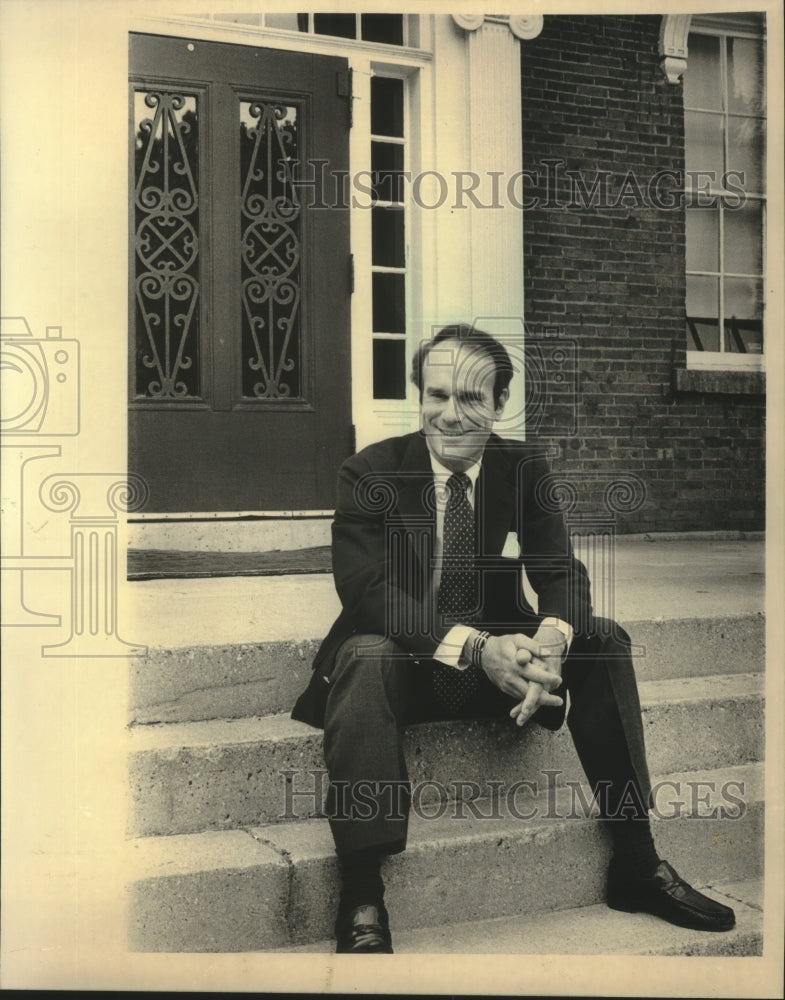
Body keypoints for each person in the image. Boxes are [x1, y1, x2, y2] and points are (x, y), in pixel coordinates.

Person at [292, 322, 735, 953]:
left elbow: (559, 571)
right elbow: (368, 594)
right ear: (418, 396)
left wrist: (550, 643)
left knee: (603, 639)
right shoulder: (369, 472)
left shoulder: (523, 466)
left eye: (471, 398)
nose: (450, 414)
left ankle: (637, 861)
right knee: (363, 654)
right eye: (436, 395)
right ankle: (362, 888)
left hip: (503, 671)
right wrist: (477, 647)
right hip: (407, 668)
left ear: (500, 404)